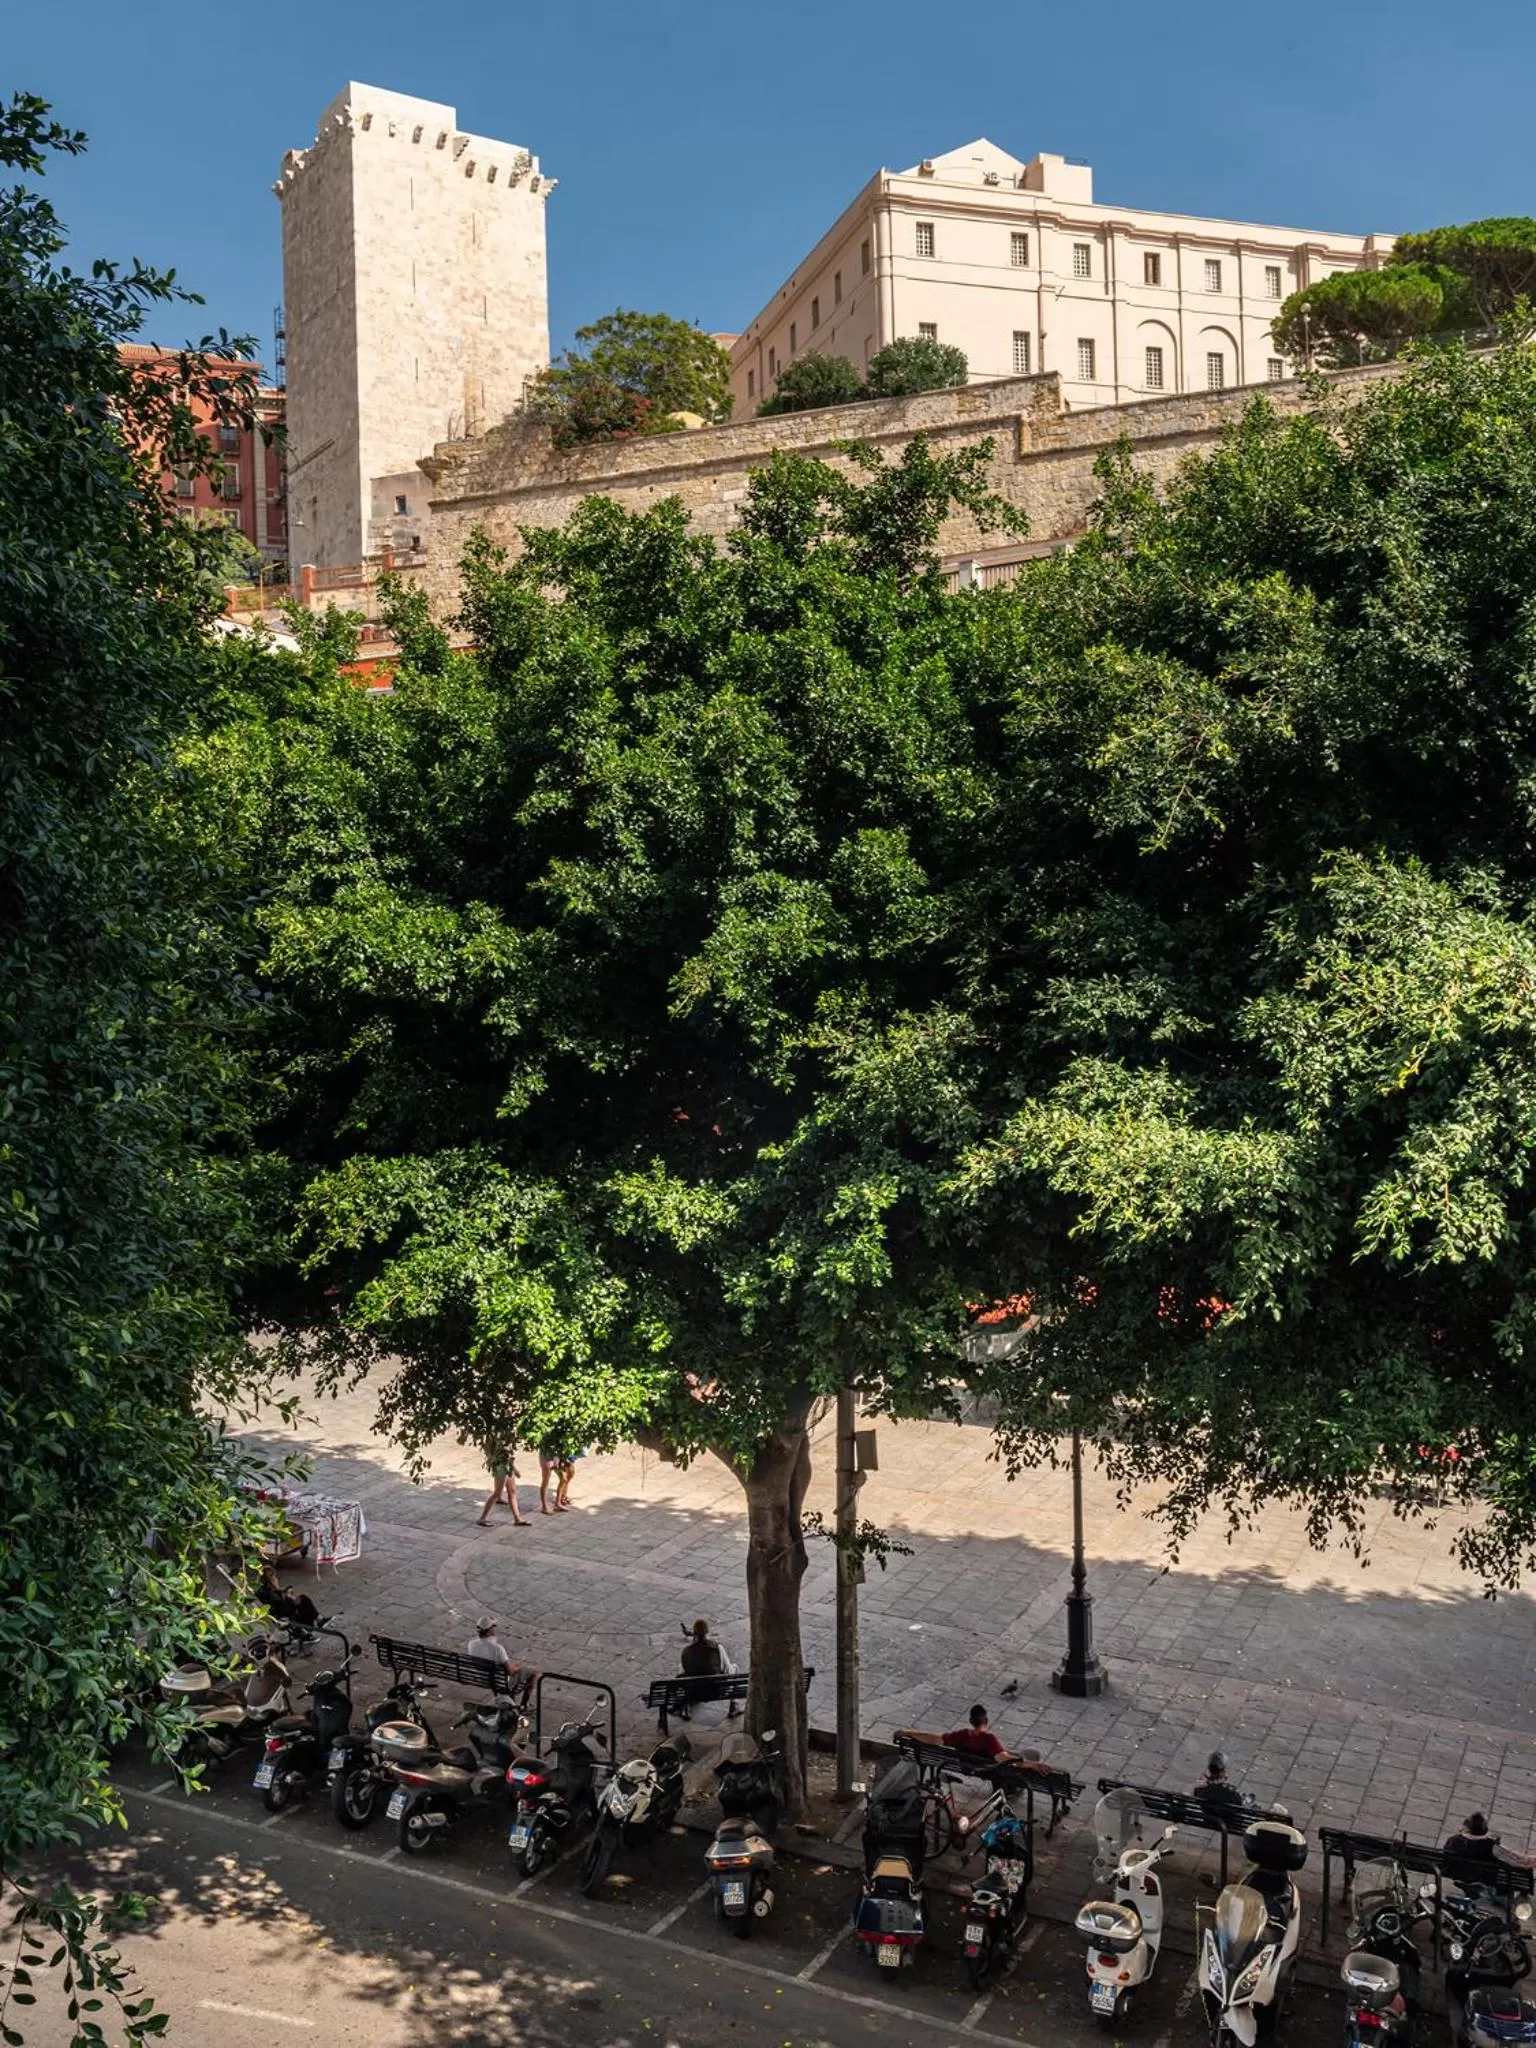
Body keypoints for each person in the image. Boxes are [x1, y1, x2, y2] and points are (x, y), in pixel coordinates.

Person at [678, 1619, 741, 1719]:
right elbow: (728, 1670)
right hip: (717, 1691)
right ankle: (734, 1704)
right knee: (734, 1667)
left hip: (694, 1692)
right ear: (707, 1632)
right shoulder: (717, 1648)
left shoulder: (686, 1652)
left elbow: (682, 1675)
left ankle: (687, 1706)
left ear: (694, 1633)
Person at [1443, 1811, 1536, 1870]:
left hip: (1458, 1873)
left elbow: (1446, 1855)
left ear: (1467, 1828)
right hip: (1485, 1878)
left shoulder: (1453, 1840)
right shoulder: (1490, 1845)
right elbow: (1517, 1861)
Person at [477, 1438, 529, 1528]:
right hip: (502, 1467)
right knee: (497, 1493)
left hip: (507, 1466)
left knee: (512, 1491)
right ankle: (483, 1517)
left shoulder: (506, 1436)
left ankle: (517, 1518)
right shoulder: (498, 1439)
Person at [942, 1704, 1014, 1764]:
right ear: (986, 1721)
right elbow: (1002, 1758)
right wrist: (1023, 1762)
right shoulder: (989, 1739)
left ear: (970, 1721)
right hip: (986, 1771)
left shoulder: (962, 1735)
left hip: (966, 1767)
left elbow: (939, 1739)